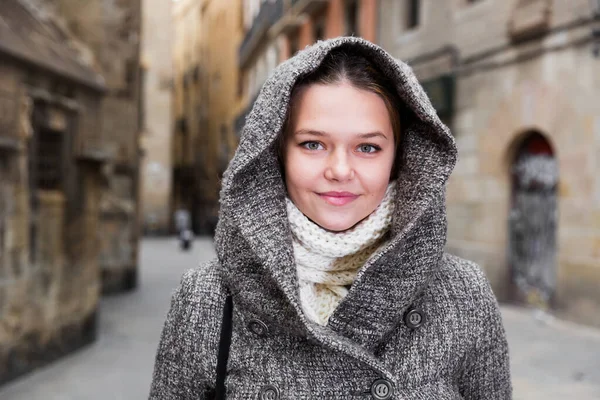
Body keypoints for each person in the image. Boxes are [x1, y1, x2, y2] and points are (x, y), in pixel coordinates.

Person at [149, 37, 511, 399]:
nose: (340, 170)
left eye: (367, 147)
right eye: (313, 144)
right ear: (276, 154)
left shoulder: (463, 295)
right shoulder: (207, 298)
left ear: (399, 159)